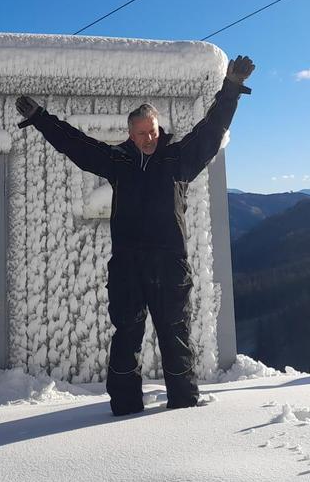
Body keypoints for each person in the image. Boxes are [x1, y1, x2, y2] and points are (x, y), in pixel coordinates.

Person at [16, 55, 255, 415]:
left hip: (170, 268)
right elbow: (76, 145)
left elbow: (210, 131)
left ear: (160, 130)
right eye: (142, 133)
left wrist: (231, 88)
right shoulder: (118, 162)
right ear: (130, 134)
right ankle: (125, 407)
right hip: (127, 268)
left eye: (153, 132)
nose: (149, 139)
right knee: (126, 337)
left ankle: (184, 406)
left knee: (175, 337)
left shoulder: (178, 159)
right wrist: (39, 119)